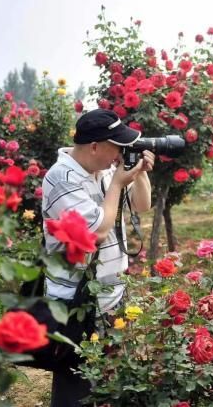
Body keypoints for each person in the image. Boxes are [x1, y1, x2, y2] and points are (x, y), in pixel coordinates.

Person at [41, 109, 155, 407]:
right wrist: (117, 185)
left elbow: (143, 205)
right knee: (76, 387)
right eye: (117, 146)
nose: (120, 153)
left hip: (110, 294)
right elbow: (95, 233)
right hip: (76, 302)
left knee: (111, 382)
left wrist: (139, 172)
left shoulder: (102, 171)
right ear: (95, 146)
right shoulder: (61, 178)